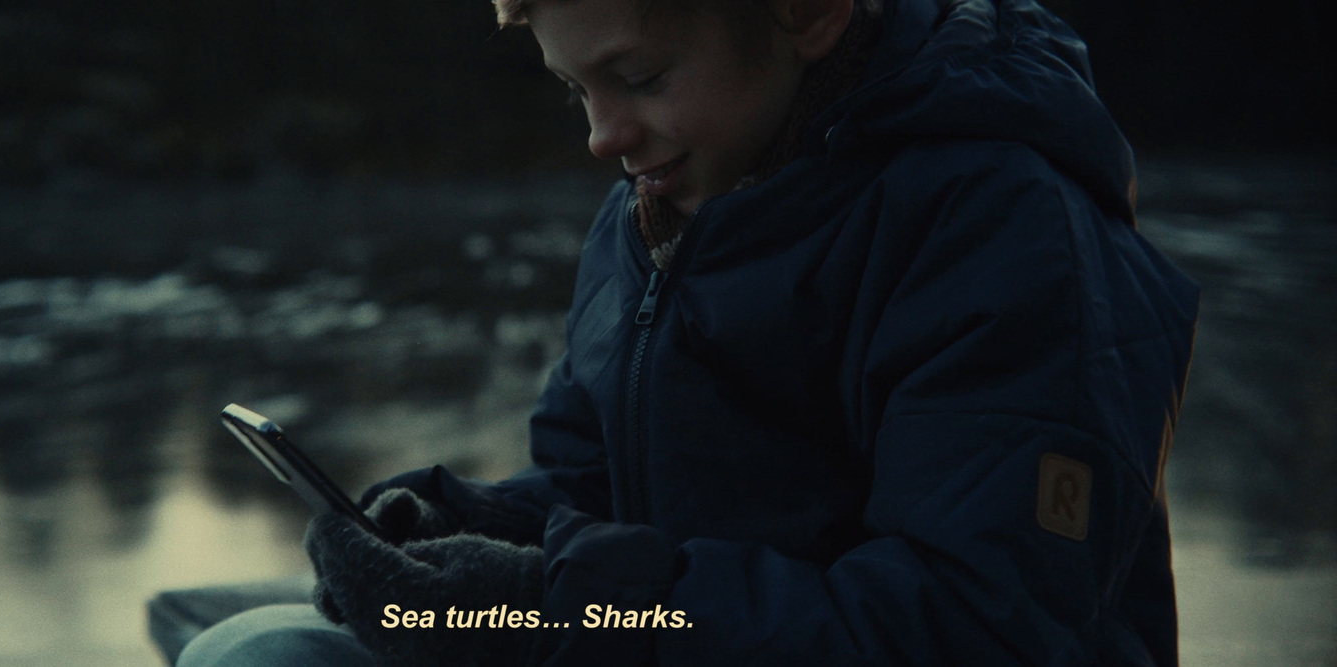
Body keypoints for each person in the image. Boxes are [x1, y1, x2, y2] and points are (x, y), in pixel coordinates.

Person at [166, 0, 1200, 663]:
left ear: (807, 13)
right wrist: (468, 531)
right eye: (575, 89)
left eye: (641, 78)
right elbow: (604, 488)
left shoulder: (1003, 230)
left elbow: (979, 626)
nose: (599, 137)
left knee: (258, 656)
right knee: (209, 614)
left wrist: (544, 609)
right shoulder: (662, 205)